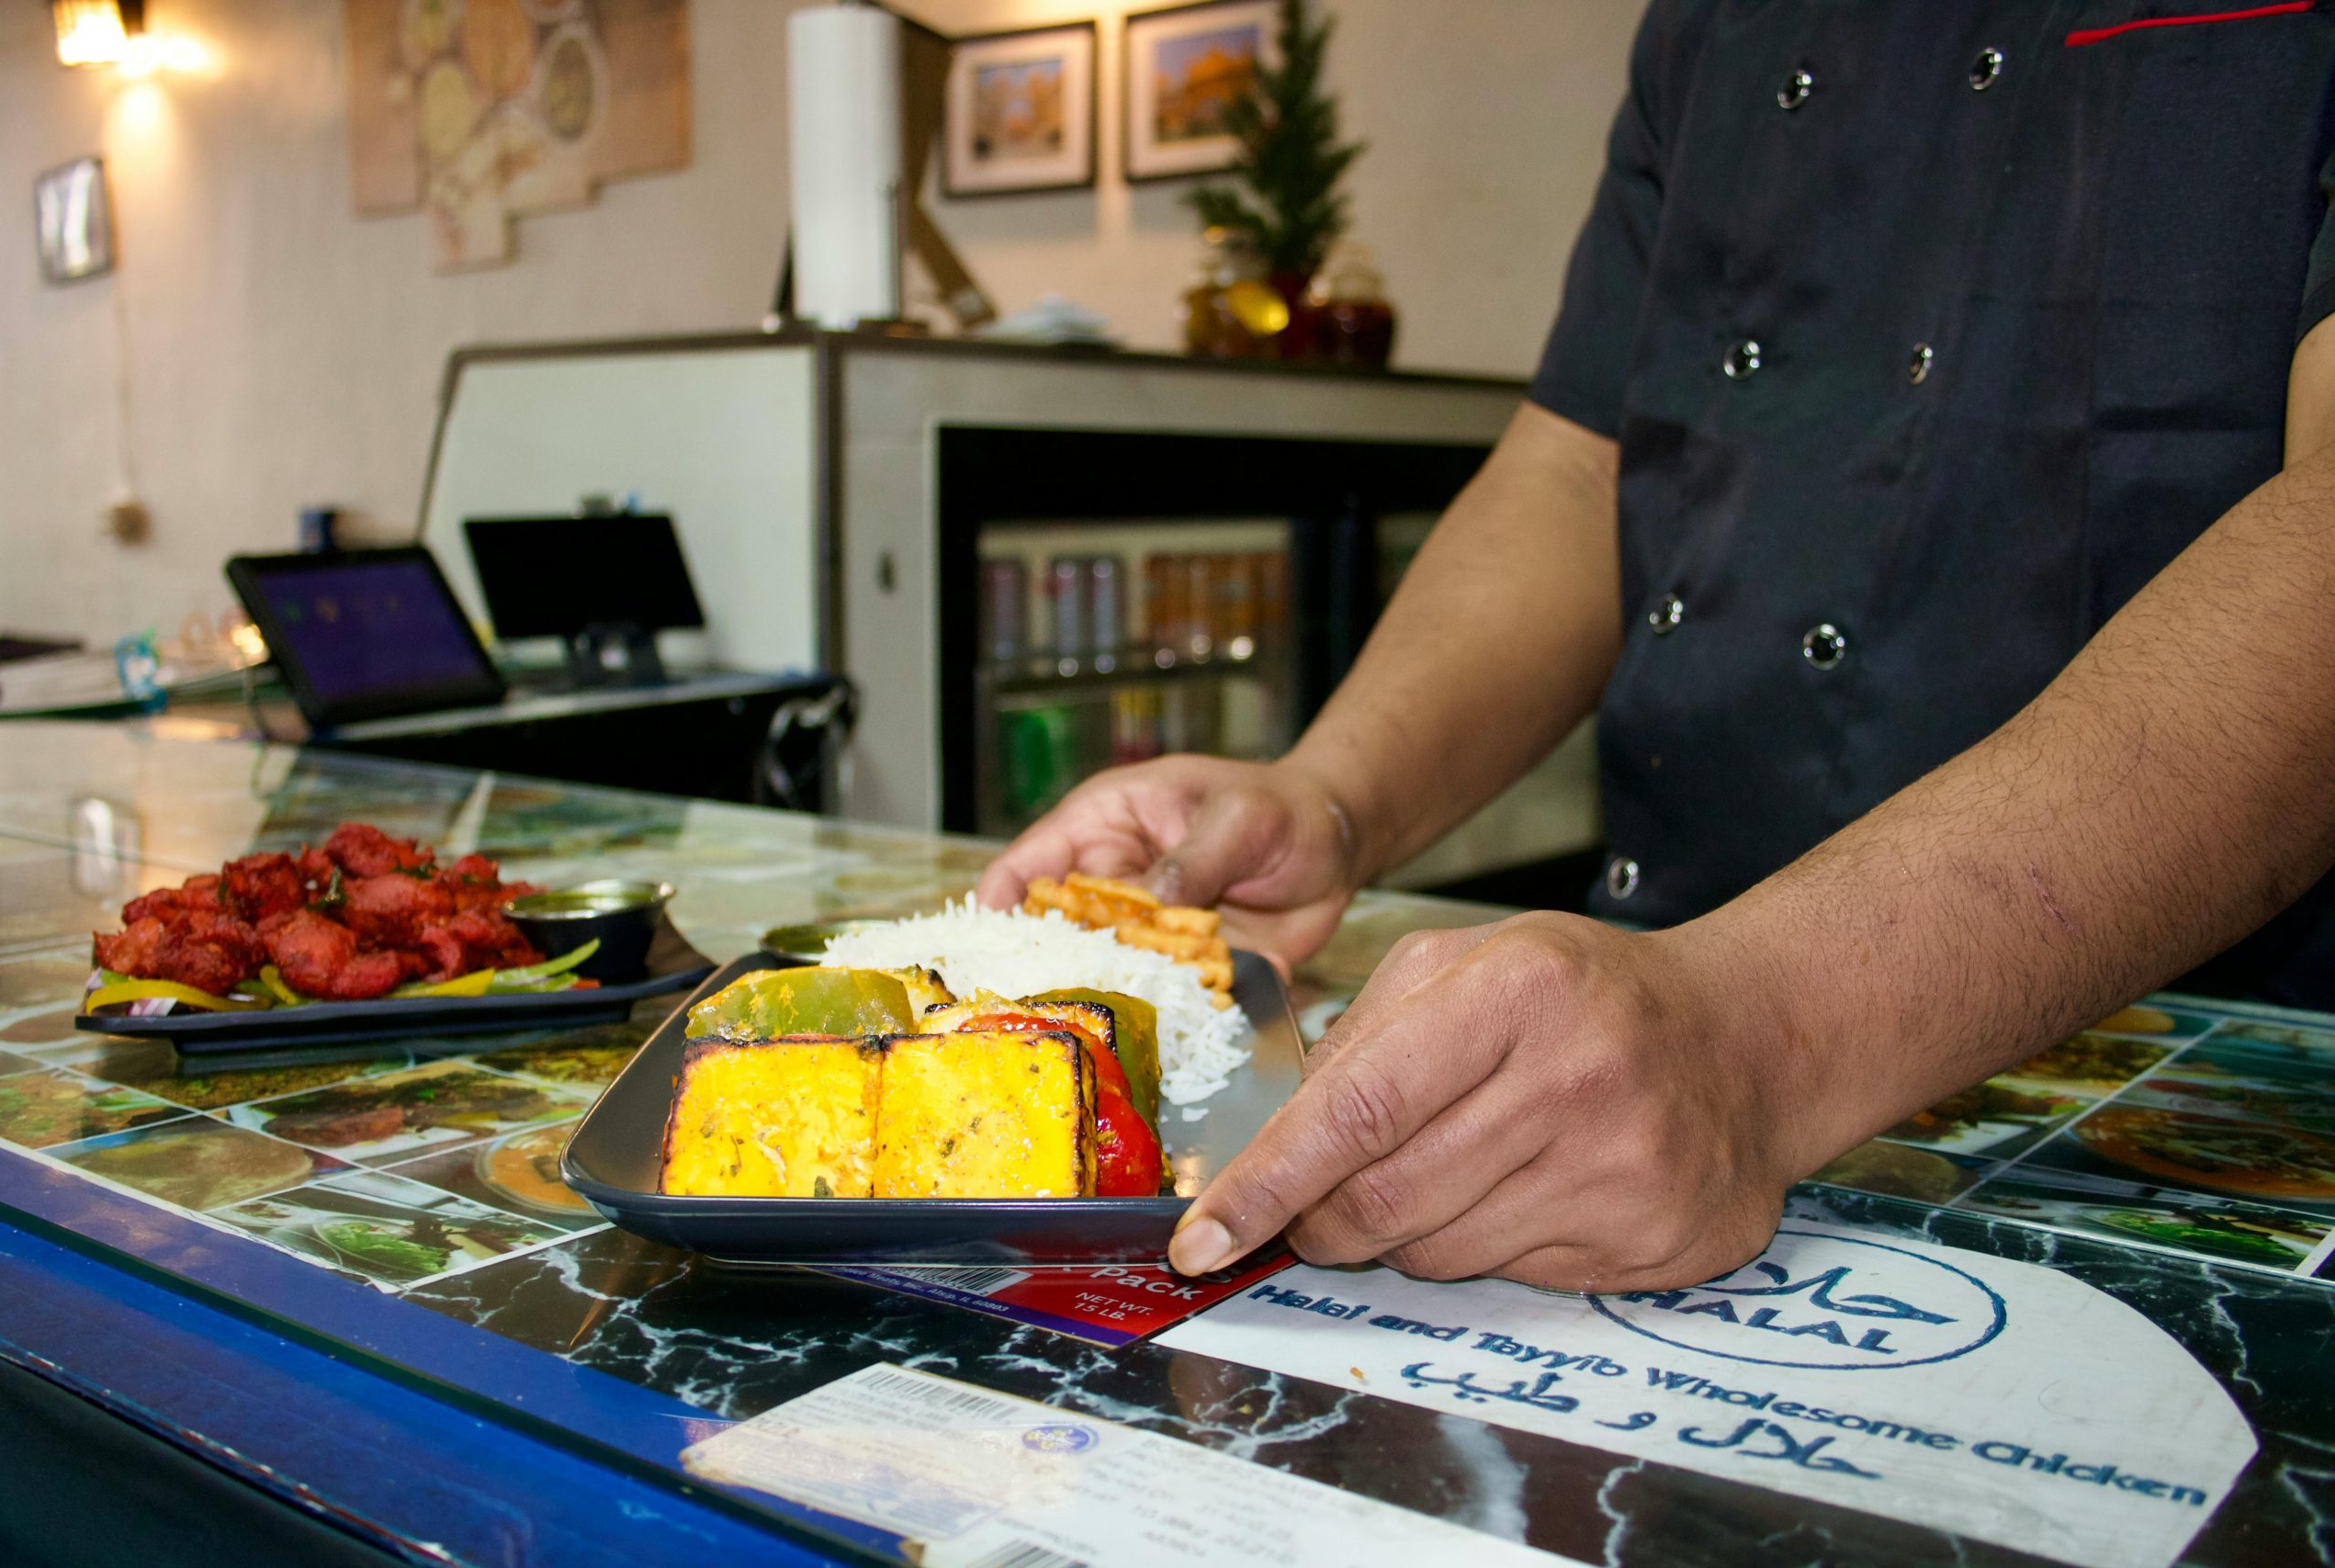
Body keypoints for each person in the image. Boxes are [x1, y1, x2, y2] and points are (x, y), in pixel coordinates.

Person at [980, 3, 2335, 1293]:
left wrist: (1765, 1026)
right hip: (1628, 1050)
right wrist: (1331, 790)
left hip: (2193, 1092)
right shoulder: (1715, 21)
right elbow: (1584, 469)